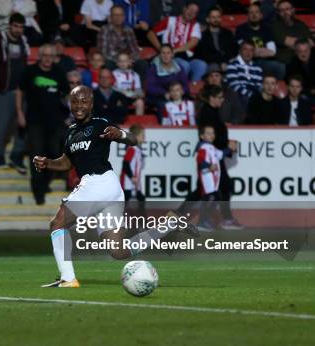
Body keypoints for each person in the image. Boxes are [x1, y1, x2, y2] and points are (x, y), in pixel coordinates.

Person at [33, 86, 197, 288]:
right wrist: (48, 163)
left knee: (57, 223)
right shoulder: (70, 133)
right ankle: (169, 224)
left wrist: (119, 134)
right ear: (70, 104)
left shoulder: (100, 124)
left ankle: (68, 278)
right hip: (109, 189)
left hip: (98, 182)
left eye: (84, 101)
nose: (79, 106)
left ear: (91, 104)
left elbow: (133, 139)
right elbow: (67, 162)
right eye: (75, 101)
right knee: (118, 251)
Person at [17, 44, 69, 201]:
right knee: (37, 154)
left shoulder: (59, 72)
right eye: (44, 55)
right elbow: (20, 91)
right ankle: (38, 190)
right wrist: (19, 112)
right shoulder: (30, 71)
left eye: (50, 56)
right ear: (40, 56)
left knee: (53, 154)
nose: (47, 58)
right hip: (34, 121)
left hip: (55, 122)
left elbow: (66, 95)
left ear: (54, 57)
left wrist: (70, 116)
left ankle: (46, 182)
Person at [193, 84, 242, 230]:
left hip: (215, 156)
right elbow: (210, 138)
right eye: (220, 97)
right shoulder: (208, 113)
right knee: (215, 190)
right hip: (211, 158)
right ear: (212, 98)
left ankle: (217, 219)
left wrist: (227, 147)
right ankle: (215, 219)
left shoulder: (212, 111)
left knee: (214, 190)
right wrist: (228, 145)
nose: (222, 100)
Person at [0, 13, 28, 169]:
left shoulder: (23, 42)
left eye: (21, 27)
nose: (18, 29)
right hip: (2, 91)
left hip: (20, 92)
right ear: (10, 25)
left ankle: (16, 156)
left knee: (24, 125)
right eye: (16, 26)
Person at [148, 1, 207, 82]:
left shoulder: (195, 25)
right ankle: (179, 90)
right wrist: (161, 50)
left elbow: (193, 42)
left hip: (186, 56)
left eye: (194, 12)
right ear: (184, 9)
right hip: (171, 57)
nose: (191, 13)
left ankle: (194, 89)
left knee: (201, 65)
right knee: (184, 65)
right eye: (190, 9)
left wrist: (175, 50)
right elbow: (150, 34)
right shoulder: (170, 20)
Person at [235, 3, 285, 80]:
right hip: (246, 62)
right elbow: (244, 51)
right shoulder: (241, 29)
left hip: (264, 62)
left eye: (256, 12)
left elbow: (272, 52)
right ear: (247, 15)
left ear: (261, 15)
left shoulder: (267, 29)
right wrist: (261, 51)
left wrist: (254, 52)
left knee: (280, 67)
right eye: (251, 12)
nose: (254, 15)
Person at [97, 5, 147, 81]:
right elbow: (103, 52)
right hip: (113, 61)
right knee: (107, 64)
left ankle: (139, 89)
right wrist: (120, 61)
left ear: (124, 17)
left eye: (120, 15)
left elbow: (135, 49)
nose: (118, 17)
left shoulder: (128, 30)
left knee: (142, 63)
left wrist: (129, 60)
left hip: (128, 61)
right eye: (115, 15)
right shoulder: (104, 30)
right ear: (110, 17)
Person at [145, 44, 189, 118]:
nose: (166, 55)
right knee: (164, 105)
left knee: (188, 103)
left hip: (177, 95)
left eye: (168, 53)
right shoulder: (153, 68)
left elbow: (186, 86)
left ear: (172, 54)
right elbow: (150, 87)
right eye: (163, 53)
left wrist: (178, 93)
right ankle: (165, 126)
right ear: (159, 55)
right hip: (159, 96)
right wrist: (165, 93)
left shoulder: (179, 68)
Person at [195, 125, 225, 231]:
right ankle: (202, 221)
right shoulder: (203, 147)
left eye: (212, 133)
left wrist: (230, 149)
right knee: (209, 198)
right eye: (208, 133)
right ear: (202, 136)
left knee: (215, 198)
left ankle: (205, 220)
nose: (211, 135)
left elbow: (221, 154)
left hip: (213, 179)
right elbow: (200, 160)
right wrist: (208, 166)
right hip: (207, 177)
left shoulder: (212, 147)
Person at [271, 0, 313, 64]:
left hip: (306, 58)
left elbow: (311, 43)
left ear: (293, 10)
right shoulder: (275, 26)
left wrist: (298, 42)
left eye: (287, 9)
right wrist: (304, 41)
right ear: (278, 13)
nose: (285, 12)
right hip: (287, 59)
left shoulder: (300, 24)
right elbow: (288, 42)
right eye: (281, 10)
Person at [225, 39, 264, 108]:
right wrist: (250, 95)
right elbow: (234, 86)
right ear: (240, 51)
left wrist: (259, 95)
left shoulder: (258, 68)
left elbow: (259, 85)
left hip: (255, 95)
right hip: (240, 95)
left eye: (251, 50)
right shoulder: (232, 65)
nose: (248, 53)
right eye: (245, 49)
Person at [121, 124, 145, 203]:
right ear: (136, 136)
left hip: (134, 182)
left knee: (140, 198)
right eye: (142, 135)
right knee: (126, 199)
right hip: (128, 181)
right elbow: (125, 164)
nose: (144, 137)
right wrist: (132, 177)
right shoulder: (132, 149)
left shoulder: (137, 149)